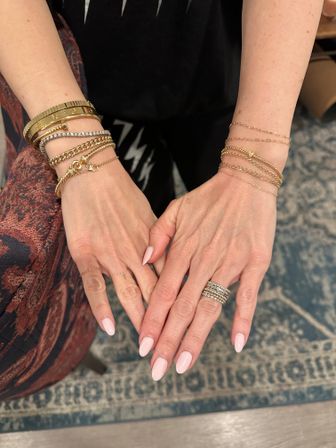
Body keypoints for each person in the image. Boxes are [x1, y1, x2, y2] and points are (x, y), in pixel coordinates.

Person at [0, 0, 333, 392]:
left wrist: (255, 162)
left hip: (230, 50)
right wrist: (80, 146)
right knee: (134, 228)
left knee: (216, 208)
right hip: (71, 70)